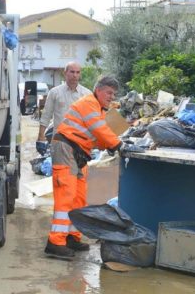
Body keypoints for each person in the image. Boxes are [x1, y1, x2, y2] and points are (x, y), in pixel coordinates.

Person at [44, 76, 123, 259]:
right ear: (98, 90)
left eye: (114, 94)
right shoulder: (89, 103)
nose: (112, 97)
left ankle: (72, 236)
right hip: (66, 149)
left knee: (79, 197)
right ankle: (55, 242)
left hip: (78, 153)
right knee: (66, 196)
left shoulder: (98, 108)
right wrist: (117, 145)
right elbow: (99, 129)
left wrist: (110, 145)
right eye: (109, 92)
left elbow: (98, 135)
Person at [35, 61, 91, 155]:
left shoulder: (87, 94)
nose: (75, 75)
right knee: (60, 169)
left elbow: (91, 120)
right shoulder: (54, 93)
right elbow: (46, 116)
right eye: (72, 72)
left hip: (80, 143)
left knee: (79, 169)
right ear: (65, 73)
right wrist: (40, 138)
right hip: (59, 142)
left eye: (77, 72)